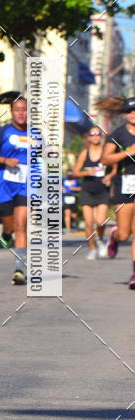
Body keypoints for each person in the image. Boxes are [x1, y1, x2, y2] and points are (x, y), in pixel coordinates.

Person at [0, 93, 29, 285]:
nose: (21, 113)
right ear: (11, 112)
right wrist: (4, 160)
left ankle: (20, 269)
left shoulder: (36, 134)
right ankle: (5, 234)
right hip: (4, 183)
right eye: (17, 109)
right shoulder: (3, 132)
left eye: (25, 109)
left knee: (21, 225)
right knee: (9, 225)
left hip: (26, 184)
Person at [101, 97, 135, 289]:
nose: (133, 114)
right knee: (124, 234)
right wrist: (127, 152)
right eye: (129, 111)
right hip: (124, 185)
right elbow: (105, 159)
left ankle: (134, 275)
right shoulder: (118, 134)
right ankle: (114, 236)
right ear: (125, 114)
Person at [73, 127, 116, 259]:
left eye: (98, 134)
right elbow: (75, 172)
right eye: (93, 134)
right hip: (87, 190)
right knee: (88, 222)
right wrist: (87, 172)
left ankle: (101, 240)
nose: (95, 136)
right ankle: (92, 248)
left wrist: (109, 177)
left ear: (101, 136)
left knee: (100, 221)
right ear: (89, 137)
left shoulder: (106, 152)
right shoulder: (84, 153)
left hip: (102, 190)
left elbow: (115, 168)